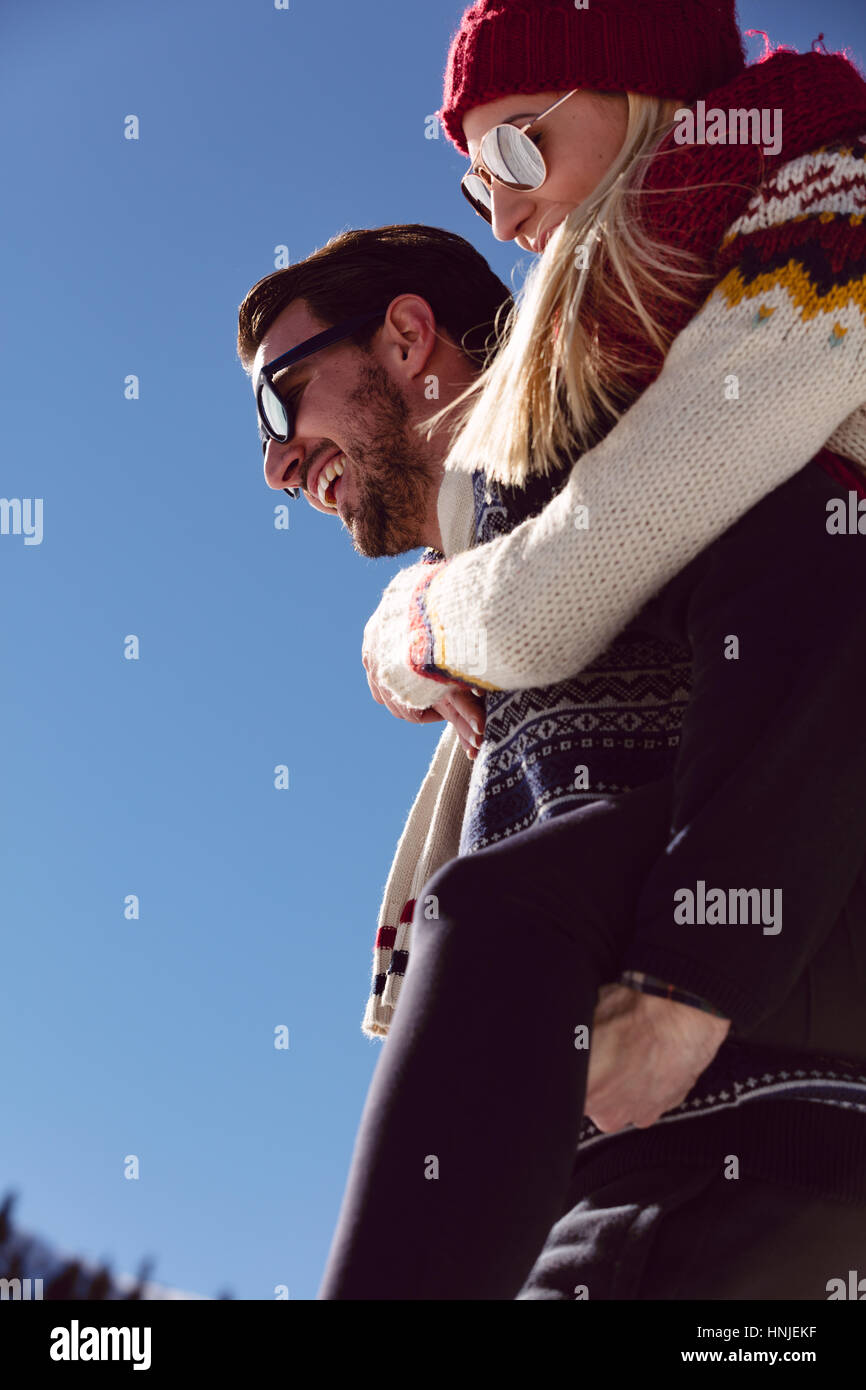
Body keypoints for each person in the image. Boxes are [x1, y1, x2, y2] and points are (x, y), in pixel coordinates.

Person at [313, 2, 866, 1298]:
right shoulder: (622, 317)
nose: (496, 212)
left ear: (638, 89)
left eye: (515, 149)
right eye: (469, 174)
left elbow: (591, 564)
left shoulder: (821, 218)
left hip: (784, 855)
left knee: (495, 910)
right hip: (678, 894)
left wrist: (421, 628)